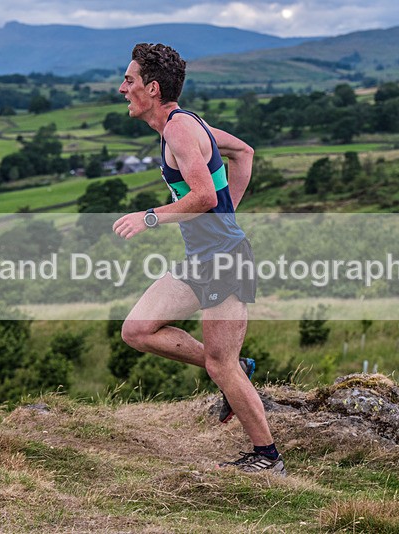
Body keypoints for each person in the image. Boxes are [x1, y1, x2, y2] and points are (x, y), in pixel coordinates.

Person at [112, 43, 285, 476]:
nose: (122, 88)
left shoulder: (180, 131)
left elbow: (205, 195)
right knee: (137, 330)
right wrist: (228, 215)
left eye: (129, 81)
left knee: (219, 365)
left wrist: (150, 217)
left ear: (152, 88)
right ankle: (237, 369)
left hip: (224, 260)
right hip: (202, 258)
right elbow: (244, 152)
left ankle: (267, 457)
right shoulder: (187, 125)